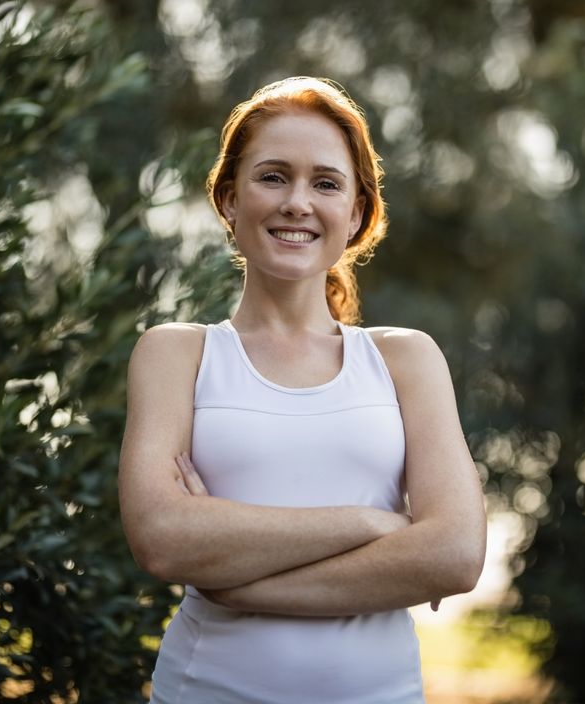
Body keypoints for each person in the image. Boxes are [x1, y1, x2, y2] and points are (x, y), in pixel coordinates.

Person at [118, 76, 487, 703]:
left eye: (325, 182)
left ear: (358, 212)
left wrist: (240, 581)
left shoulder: (407, 360)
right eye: (272, 177)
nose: (297, 202)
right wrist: (373, 523)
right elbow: (161, 537)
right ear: (230, 201)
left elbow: (453, 554)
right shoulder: (175, 354)